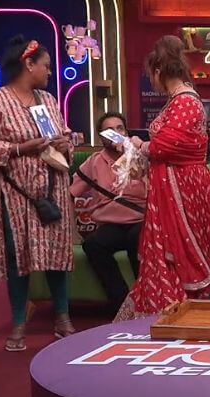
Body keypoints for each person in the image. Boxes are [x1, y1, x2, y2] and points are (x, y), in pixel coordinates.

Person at [118, 35, 210, 320]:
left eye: (151, 75)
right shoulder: (179, 100)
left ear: (158, 71)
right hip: (176, 181)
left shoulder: (185, 101)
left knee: (182, 250)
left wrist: (141, 145)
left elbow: (167, 145)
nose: (152, 82)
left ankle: (179, 310)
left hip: (182, 185)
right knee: (175, 248)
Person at [0, 36, 76, 351]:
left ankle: (63, 318)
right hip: (14, 193)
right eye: (46, 66)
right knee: (17, 256)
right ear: (29, 64)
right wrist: (20, 148)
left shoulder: (48, 100)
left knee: (56, 255)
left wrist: (66, 142)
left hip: (52, 189)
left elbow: (65, 134)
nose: (50, 72)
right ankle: (18, 324)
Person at [70, 112, 146, 315]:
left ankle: (145, 301)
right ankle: (121, 304)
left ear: (126, 132)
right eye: (109, 130)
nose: (116, 133)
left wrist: (135, 156)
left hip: (140, 221)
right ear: (101, 137)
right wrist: (73, 232)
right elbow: (69, 194)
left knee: (137, 237)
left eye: (120, 128)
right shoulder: (93, 163)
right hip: (111, 225)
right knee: (93, 244)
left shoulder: (140, 157)